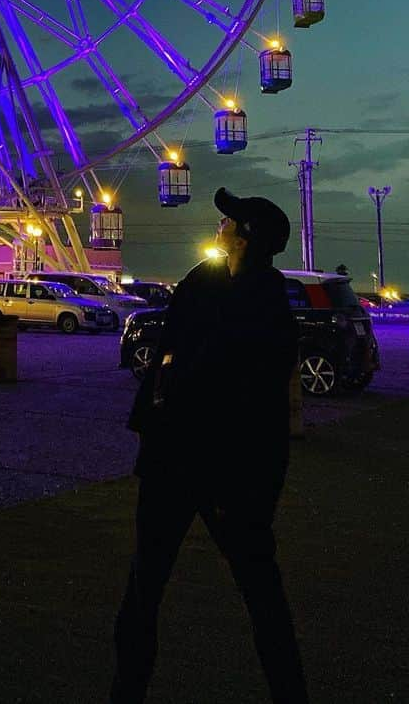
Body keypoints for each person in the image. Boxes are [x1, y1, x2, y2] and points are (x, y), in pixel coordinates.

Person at [110, 187, 309, 704]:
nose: (218, 226)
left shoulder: (264, 307)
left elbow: (255, 403)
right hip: (173, 459)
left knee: (257, 592)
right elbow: (169, 361)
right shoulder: (205, 283)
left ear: (245, 239)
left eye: (228, 223)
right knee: (146, 585)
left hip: (227, 472)